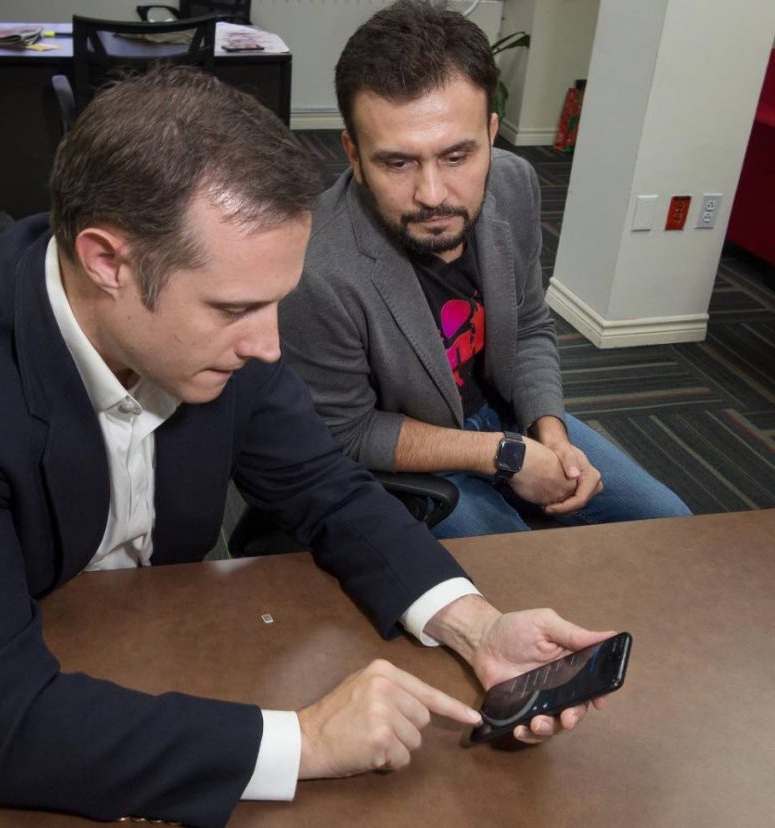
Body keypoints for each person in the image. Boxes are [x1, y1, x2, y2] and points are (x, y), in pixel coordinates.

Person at [0, 67, 612, 827]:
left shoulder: (229, 321)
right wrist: (303, 741)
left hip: (119, 631)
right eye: (236, 308)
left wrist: (479, 628)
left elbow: (326, 487)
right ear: (107, 262)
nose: (270, 346)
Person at [280, 0, 691, 539]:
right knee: (515, 574)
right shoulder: (314, 269)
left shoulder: (514, 185)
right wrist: (505, 455)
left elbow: (527, 328)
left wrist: (551, 431)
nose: (432, 195)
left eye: (457, 156)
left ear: (492, 133)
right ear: (353, 154)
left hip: (507, 415)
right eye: (397, 162)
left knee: (670, 527)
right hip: (408, 450)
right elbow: (347, 431)